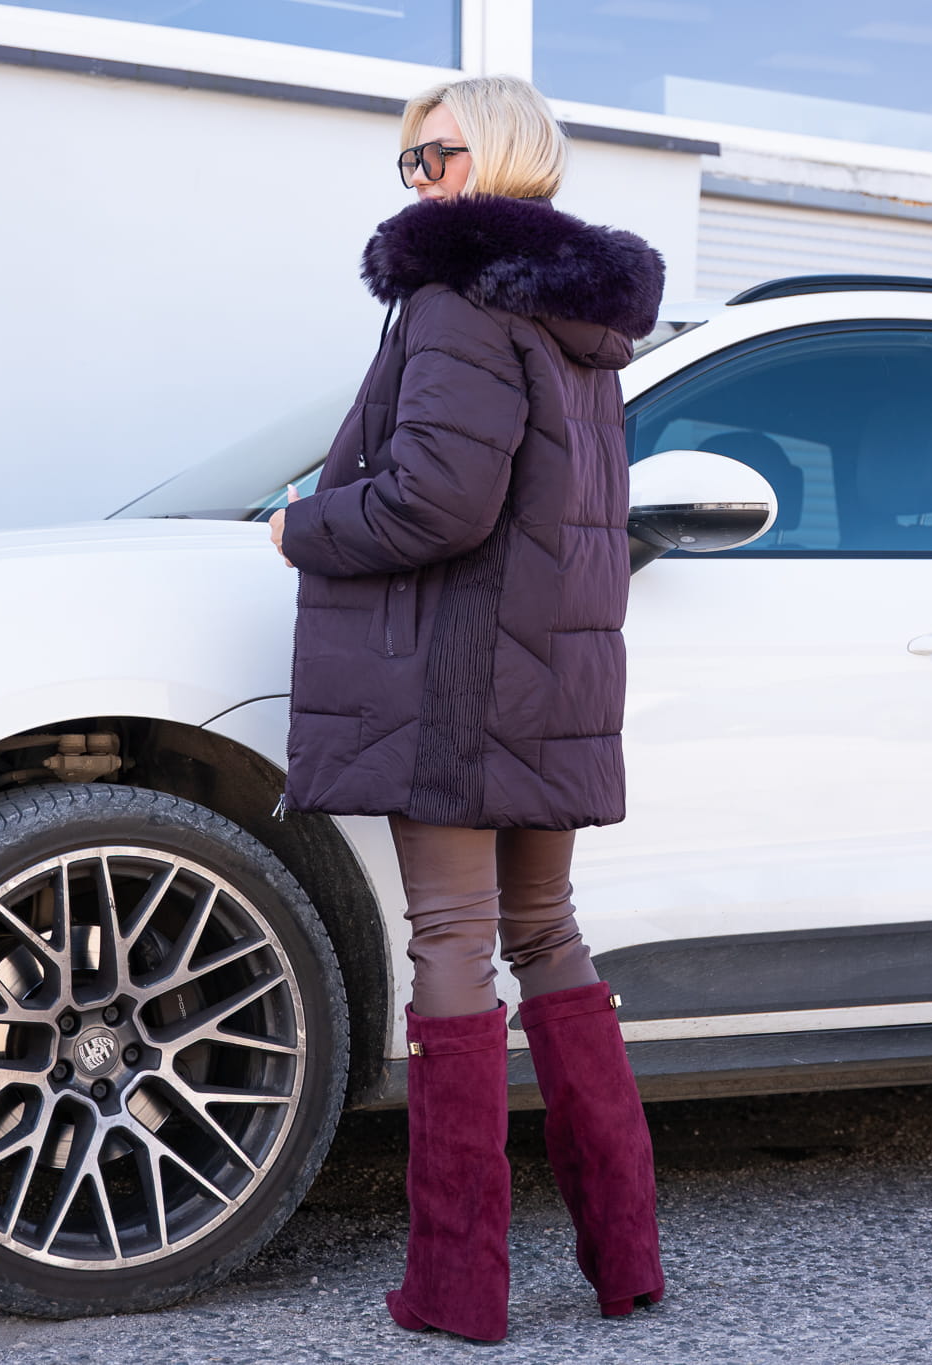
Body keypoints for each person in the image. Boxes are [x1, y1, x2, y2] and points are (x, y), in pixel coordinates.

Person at [269, 73, 666, 1343]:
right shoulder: (578, 317)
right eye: (409, 163)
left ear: (497, 153)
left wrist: (300, 527)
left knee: (451, 937)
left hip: (462, 670)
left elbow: (437, 501)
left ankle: (456, 1289)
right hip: (550, 675)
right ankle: (626, 1262)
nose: (420, 181)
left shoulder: (455, 297)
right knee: (546, 934)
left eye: (435, 156)